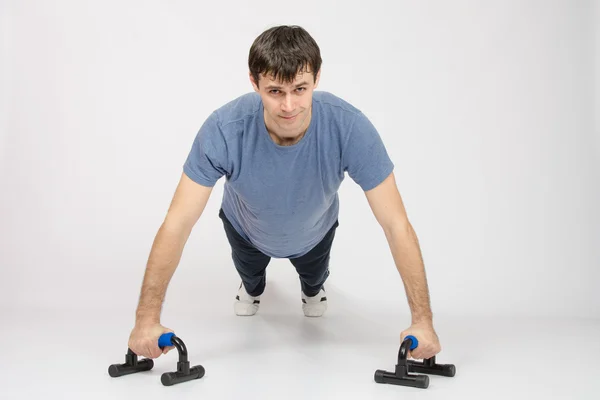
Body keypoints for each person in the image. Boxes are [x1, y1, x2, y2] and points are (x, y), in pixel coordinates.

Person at [128, 25, 442, 362]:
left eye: (300, 89)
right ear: (255, 83)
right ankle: (252, 288)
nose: (289, 105)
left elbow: (396, 224)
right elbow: (177, 222)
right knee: (251, 278)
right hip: (246, 229)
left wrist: (423, 322)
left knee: (313, 279)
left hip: (315, 232)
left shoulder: (349, 127)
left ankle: (312, 289)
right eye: (275, 91)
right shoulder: (224, 129)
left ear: (317, 79)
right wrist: (146, 320)